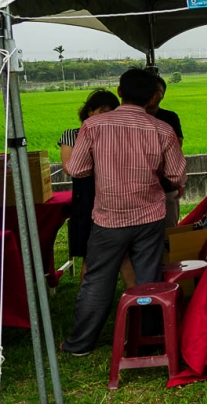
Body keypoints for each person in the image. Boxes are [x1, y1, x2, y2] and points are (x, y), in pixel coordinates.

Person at [61, 68, 186, 356]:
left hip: (108, 216)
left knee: (97, 279)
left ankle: (80, 344)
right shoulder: (161, 128)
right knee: (148, 280)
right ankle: (147, 340)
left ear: (119, 92)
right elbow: (177, 175)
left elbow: (77, 168)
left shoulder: (93, 127)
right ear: (153, 96)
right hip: (149, 215)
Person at [59, 89, 120, 275]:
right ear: (89, 111)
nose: (105, 116)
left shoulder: (117, 136)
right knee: (89, 252)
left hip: (113, 195)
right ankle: (85, 300)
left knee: (124, 253)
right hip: (86, 197)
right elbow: (70, 168)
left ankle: (135, 299)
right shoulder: (72, 135)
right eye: (101, 111)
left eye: (110, 112)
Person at [146, 75, 184, 227]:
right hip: (138, 187)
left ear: (163, 94)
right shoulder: (131, 119)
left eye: (159, 91)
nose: (154, 95)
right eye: (150, 91)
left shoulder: (169, 117)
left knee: (169, 229)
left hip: (166, 184)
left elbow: (177, 146)